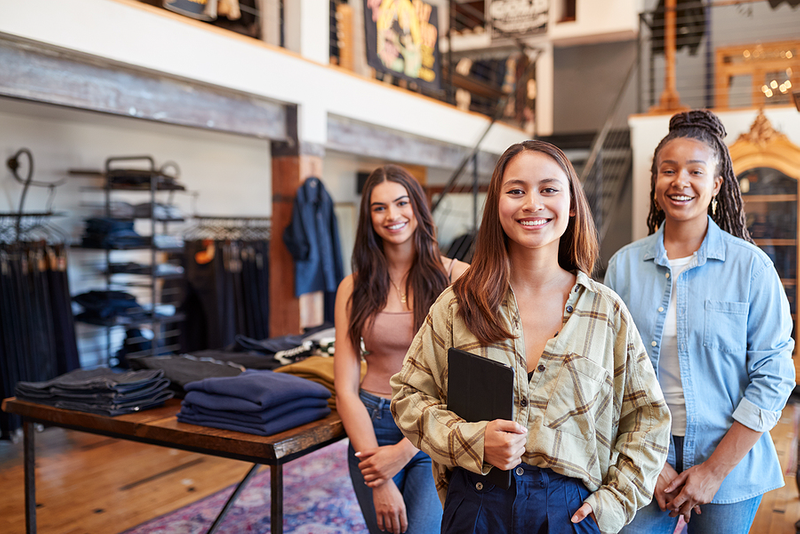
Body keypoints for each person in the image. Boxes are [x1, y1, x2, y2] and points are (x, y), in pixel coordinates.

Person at [390, 140, 671, 534]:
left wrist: (613, 502)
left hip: (568, 511)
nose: (532, 204)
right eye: (516, 190)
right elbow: (407, 396)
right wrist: (471, 439)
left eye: (549, 189)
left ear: (572, 204)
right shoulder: (459, 304)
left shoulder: (605, 311)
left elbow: (647, 419)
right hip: (476, 503)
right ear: (497, 204)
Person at [604, 109, 795, 534]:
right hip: (642, 455)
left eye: (695, 170)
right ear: (655, 182)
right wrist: (645, 463)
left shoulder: (751, 268)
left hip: (731, 458)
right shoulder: (623, 267)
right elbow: (608, 376)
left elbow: (775, 376)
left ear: (716, 185)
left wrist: (713, 471)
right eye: (667, 170)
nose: (680, 181)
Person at [334, 164, 468, 534]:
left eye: (401, 203)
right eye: (379, 208)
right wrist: (378, 477)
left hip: (433, 429)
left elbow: (468, 377)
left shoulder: (457, 277)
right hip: (371, 426)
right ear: (369, 217)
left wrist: (405, 449)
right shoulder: (353, 287)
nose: (392, 215)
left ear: (418, 208)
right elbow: (345, 389)